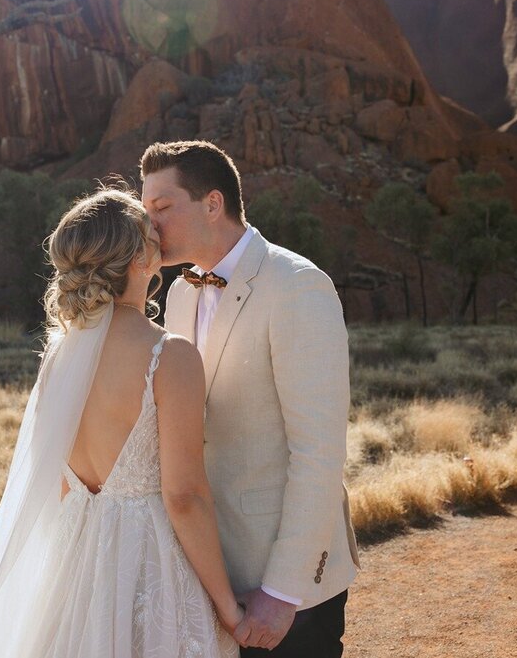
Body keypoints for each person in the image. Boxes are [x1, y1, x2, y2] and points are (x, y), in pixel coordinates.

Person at [0, 187, 240, 658]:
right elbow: (184, 497)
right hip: (149, 564)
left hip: (75, 564)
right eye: (151, 235)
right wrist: (229, 607)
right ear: (141, 259)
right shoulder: (170, 355)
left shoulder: (60, 356)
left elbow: (60, 482)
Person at [141, 141, 359, 657]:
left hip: (282, 585)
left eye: (162, 209)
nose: (150, 227)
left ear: (212, 204)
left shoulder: (297, 286)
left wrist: (283, 592)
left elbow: (319, 453)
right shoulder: (178, 293)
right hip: (204, 575)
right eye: (144, 211)